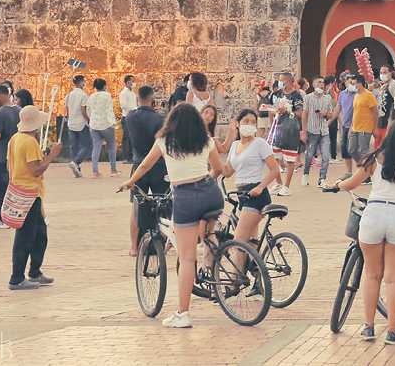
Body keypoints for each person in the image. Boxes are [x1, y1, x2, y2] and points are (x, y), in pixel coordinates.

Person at [118, 103, 225, 328]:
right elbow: (218, 169)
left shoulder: (164, 142)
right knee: (209, 234)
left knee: (186, 258)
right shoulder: (206, 140)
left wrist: (131, 181)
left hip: (185, 197)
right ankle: (216, 284)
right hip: (210, 193)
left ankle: (183, 313)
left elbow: (146, 164)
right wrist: (207, 178)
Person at [332, 119, 395, 345]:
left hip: (373, 215)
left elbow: (352, 183)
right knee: (394, 280)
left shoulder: (373, 159)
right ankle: (392, 332)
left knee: (372, 275)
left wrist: (338, 184)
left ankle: (369, 328)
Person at [6, 105, 61, 290]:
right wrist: (52, 156)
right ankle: (17, 277)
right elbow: (35, 170)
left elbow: (11, 165)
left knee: (39, 234)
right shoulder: (29, 142)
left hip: (23, 191)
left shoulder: (15, 139)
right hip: (28, 193)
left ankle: (35, 271)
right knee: (25, 236)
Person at [223, 109, 280, 249]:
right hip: (241, 194)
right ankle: (256, 269)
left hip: (256, 194)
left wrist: (260, 187)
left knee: (239, 242)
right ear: (237, 123)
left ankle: (237, 272)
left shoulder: (260, 143)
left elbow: (275, 169)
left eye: (253, 122)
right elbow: (227, 171)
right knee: (250, 243)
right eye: (246, 121)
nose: (250, 125)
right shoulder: (235, 145)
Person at [124, 85, 167, 257]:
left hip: (138, 166)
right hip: (158, 166)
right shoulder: (159, 119)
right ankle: (161, 245)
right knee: (163, 207)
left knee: (137, 207)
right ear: (153, 98)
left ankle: (134, 247)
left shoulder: (130, 117)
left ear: (137, 98)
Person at [0, 84, 21, 228]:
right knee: (15, 189)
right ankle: (16, 217)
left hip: (1, 157)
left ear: (2, 95)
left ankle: (3, 219)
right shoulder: (19, 110)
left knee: (1, 190)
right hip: (16, 156)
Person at [301, 76, 334, 187]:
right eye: (319, 82)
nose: (321, 84)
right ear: (314, 84)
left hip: (324, 131)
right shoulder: (308, 98)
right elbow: (304, 114)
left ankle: (322, 179)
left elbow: (330, 115)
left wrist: (324, 114)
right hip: (312, 130)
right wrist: (304, 131)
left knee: (325, 156)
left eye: (323, 83)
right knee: (309, 155)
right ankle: (306, 174)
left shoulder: (327, 99)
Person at [269, 96, 302, 196]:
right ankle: (278, 183)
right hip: (278, 130)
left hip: (290, 131)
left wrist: (287, 112)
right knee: (274, 157)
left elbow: (301, 114)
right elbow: (271, 110)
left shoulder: (296, 96)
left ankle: (287, 187)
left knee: (289, 159)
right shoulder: (276, 94)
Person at [86, 78, 118, 178]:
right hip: (106, 124)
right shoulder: (107, 95)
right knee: (112, 146)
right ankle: (113, 170)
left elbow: (88, 110)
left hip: (94, 125)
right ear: (105, 86)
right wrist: (112, 122)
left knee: (96, 147)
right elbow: (109, 109)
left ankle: (95, 171)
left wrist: (92, 119)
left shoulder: (91, 96)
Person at [64, 75, 90, 177]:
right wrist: (89, 120)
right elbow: (83, 111)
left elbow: (68, 110)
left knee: (74, 147)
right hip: (82, 123)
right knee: (87, 145)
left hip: (71, 123)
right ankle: (76, 162)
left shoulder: (68, 96)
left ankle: (76, 167)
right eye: (84, 82)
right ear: (81, 83)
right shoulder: (84, 96)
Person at [349, 77, 379, 165]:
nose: (352, 86)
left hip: (365, 128)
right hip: (355, 128)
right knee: (351, 150)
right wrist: (351, 127)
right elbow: (355, 112)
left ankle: (365, 171)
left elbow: (375, 112)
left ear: (360, 84)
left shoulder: (369, 95)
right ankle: (364, 166)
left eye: (354, 84)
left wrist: (374, 128)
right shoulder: (356, 96)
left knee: (363, 151)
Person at [118, 75, 137, 160]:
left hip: (133, 116)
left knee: (132, 138)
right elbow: (123, 105)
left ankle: (131, 156)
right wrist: (134, 109)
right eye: (133, 81)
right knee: (126, 138)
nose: (134, 82)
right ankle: (126, 157)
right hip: (127, 117)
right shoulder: (124, 93)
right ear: (128, 82)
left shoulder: (132, 93)